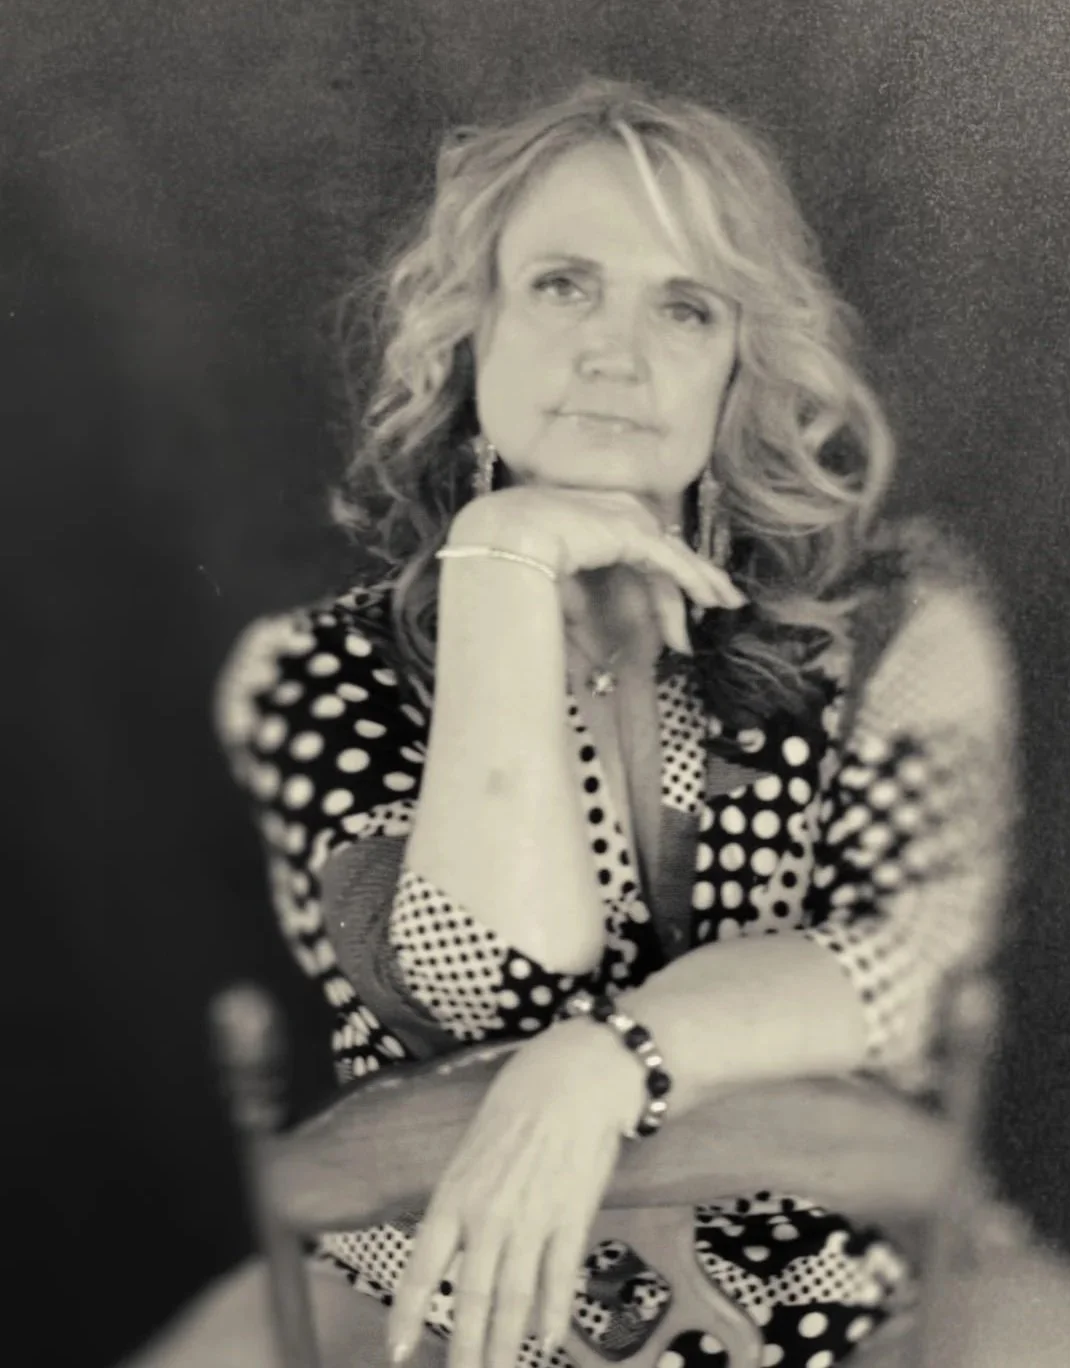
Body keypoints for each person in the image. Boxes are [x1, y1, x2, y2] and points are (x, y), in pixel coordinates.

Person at [208, 77, 1020, 1368]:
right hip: (473, 1315)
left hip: (832, 1306)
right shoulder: (308, 672)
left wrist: (609, 1060)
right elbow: (486, 986)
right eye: (563, 285)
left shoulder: (900, 638)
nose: (616, 352)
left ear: (738, 369)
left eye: (685, 307)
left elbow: (910, 967)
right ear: (472, 334)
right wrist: (502, 567)